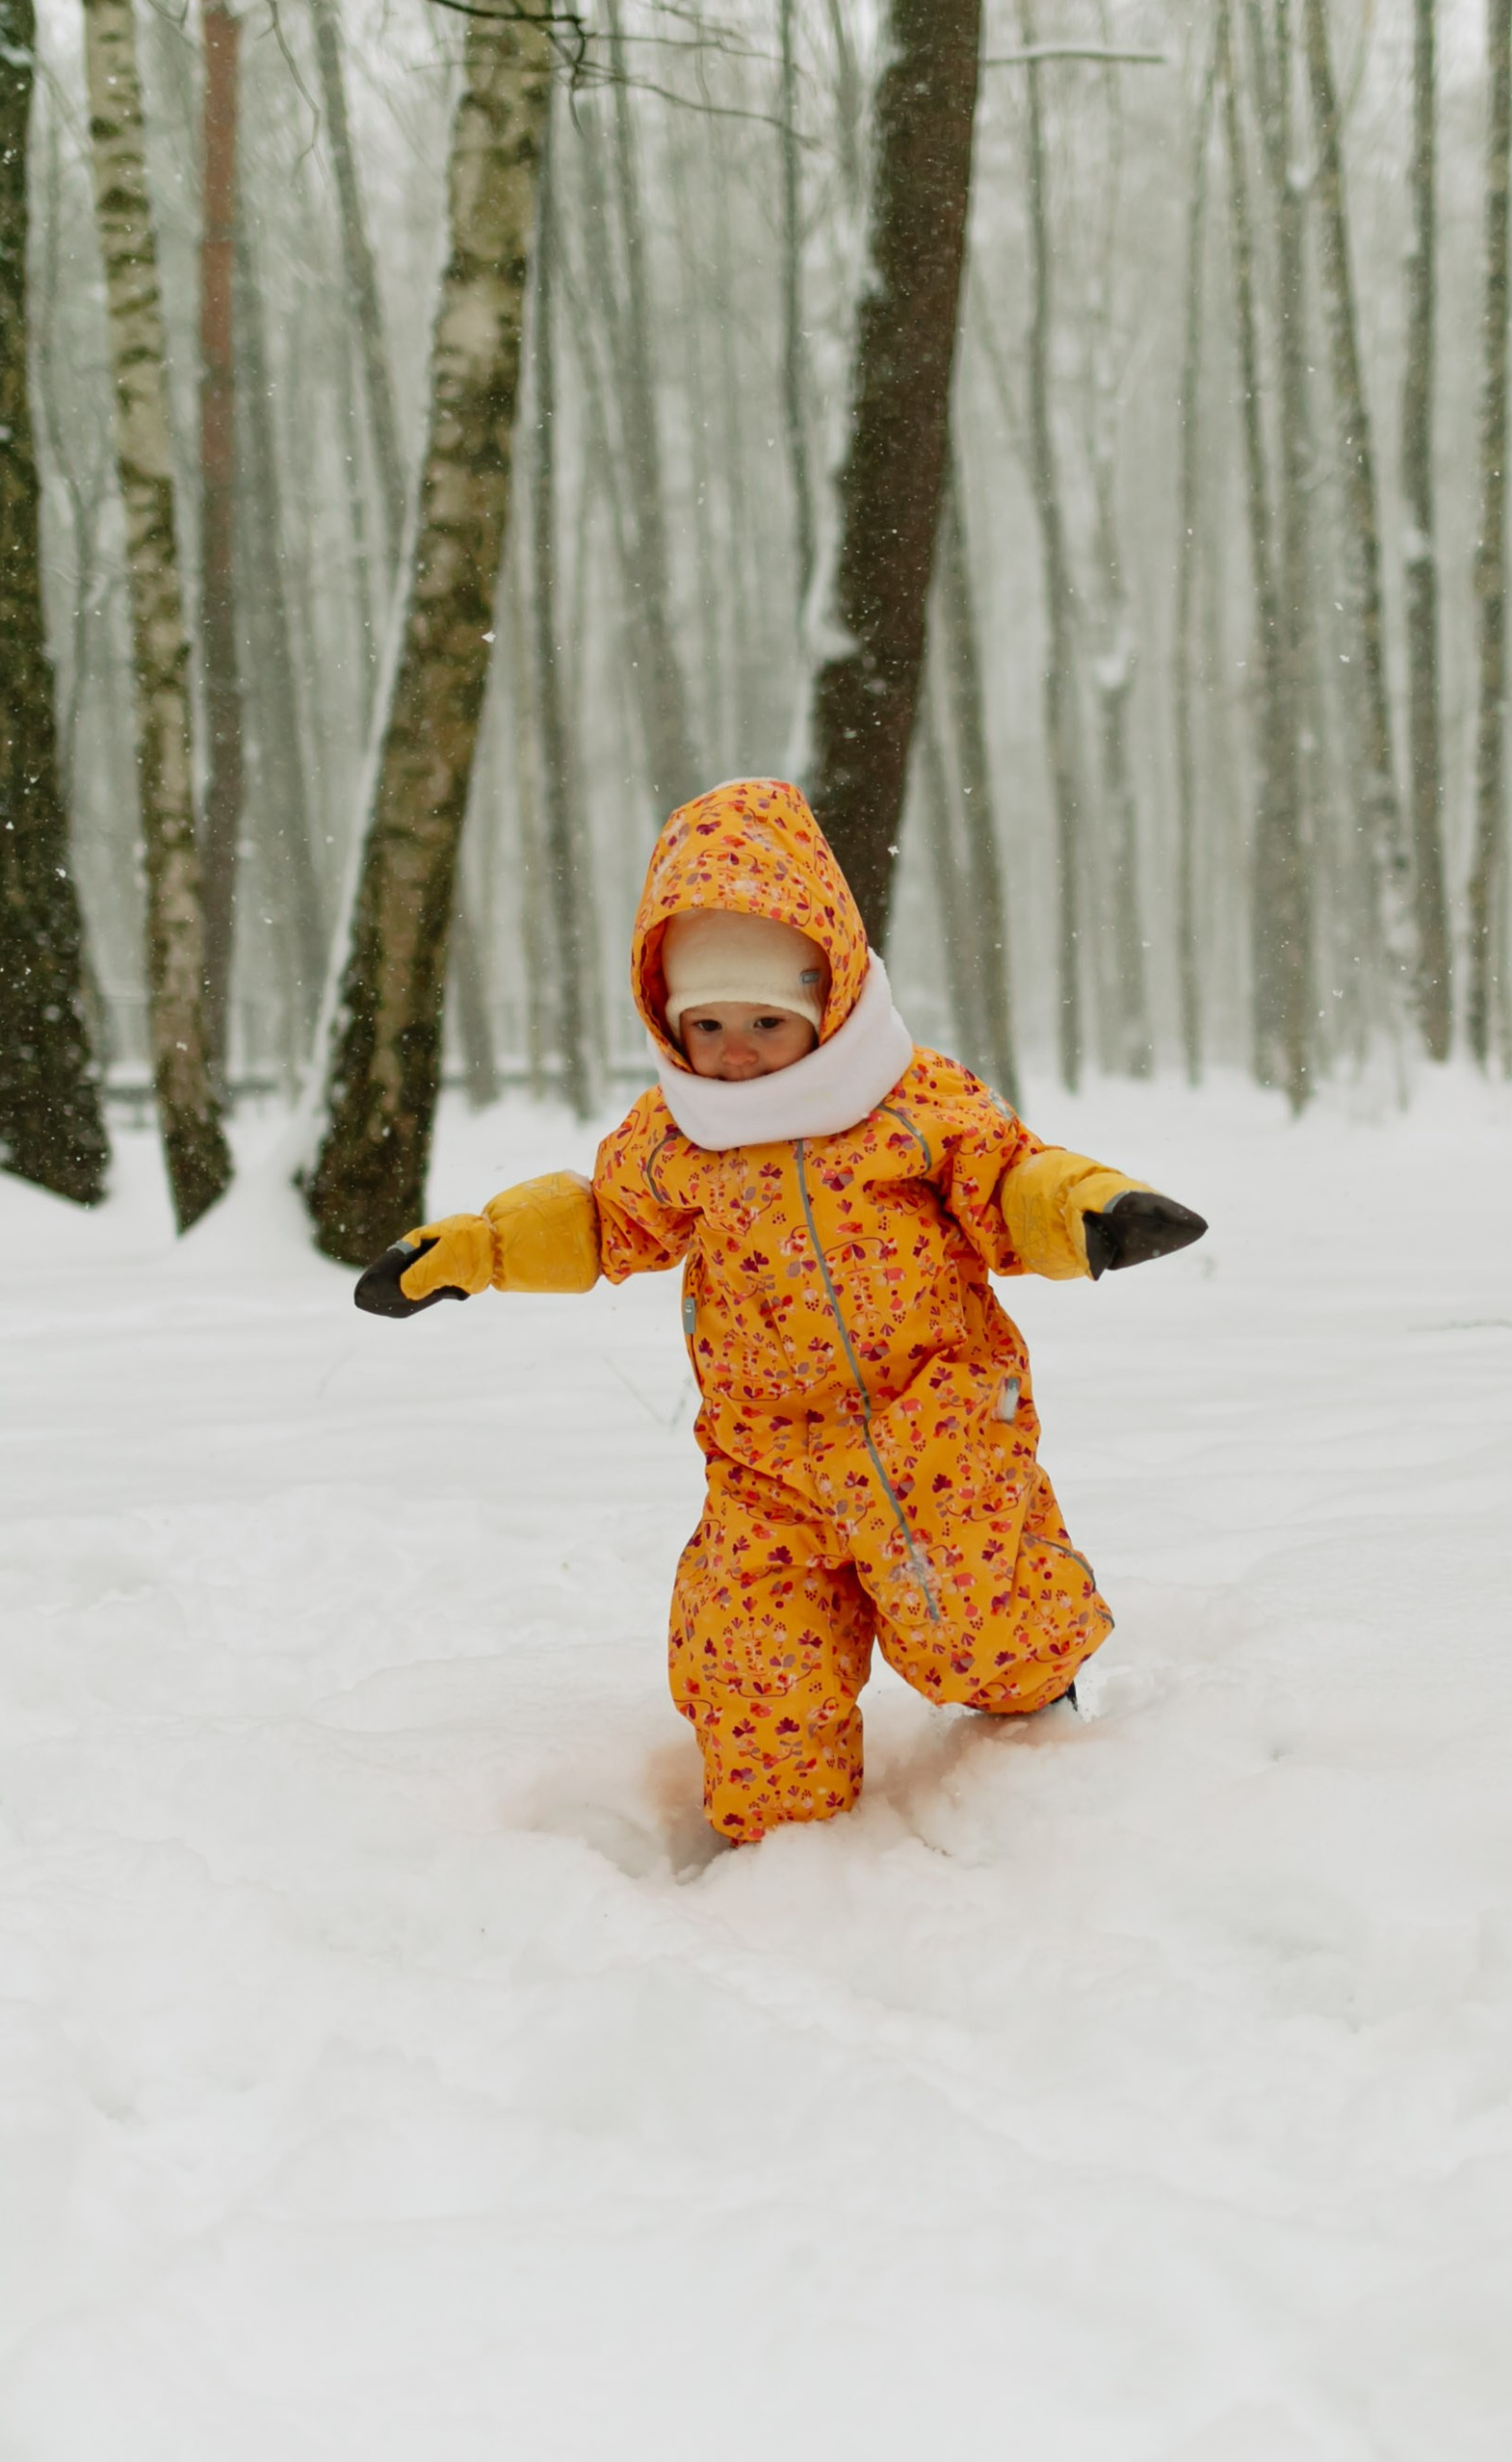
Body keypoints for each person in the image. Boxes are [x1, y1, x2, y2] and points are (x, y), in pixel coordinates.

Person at [356, 778, 1205, 1843]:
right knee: (751, 1665)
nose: (739, 1050)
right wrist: (474, 1251)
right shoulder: (677, 1139)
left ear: (829, 1000)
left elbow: (1007, 1183)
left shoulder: (911, 1105)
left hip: (932, 1423)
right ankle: (774, 1840)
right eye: (707, 1024)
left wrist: (1090, 1211)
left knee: (992, 1613)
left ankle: (1038, 1720)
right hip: (767, 1465)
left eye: (767, 1020)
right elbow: (597, 1221)